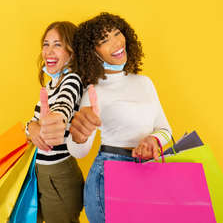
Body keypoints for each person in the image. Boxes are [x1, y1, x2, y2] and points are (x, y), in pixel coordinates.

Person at [67, 13, 173, 223]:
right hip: (109, 176)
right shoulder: (93, 92)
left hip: (147, 171)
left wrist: (152, 140)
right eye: (104, 40)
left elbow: (165, 129)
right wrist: (80, 134)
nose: (116, 42)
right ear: (92, 52)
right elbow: (79, 151)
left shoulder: (144, 83)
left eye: (117, 33)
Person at [25, 21, 84, 223]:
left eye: (57, 45)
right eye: (46, 44)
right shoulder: (51, 84)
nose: (49, 51)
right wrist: (31, 128)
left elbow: (64, 106)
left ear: (72, 52)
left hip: (58, 175)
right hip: (40, 172)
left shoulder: (72, 79)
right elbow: (31, 125)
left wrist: (56, 118)